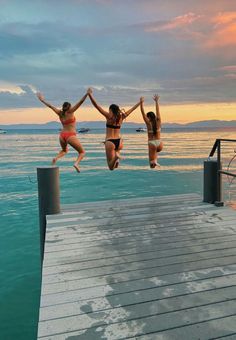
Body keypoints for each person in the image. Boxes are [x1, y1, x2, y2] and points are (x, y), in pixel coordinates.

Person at [87, 88, 141, 170]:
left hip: (110, 142)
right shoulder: (121, 117)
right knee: (115, 166)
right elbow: (133, 109)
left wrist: (90, 95)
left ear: (111, 110)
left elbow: (96, 106)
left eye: (109, 110)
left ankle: (116, 157)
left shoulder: (109, 117)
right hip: (119, 142)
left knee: (111, 167)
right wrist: (140, 102)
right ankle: (117, 157)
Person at [36, 92, 88, 172]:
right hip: (70, 135)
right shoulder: (70, 112)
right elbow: (80, 102)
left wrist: (42, 100)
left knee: (64, 150)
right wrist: (87, 94)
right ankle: (76, 164)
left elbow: (50, 106)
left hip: (62, 136)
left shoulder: (60, 113)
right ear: (69, 107)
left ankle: (56, 158)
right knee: (82, 152)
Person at [140, 95, 163, 168]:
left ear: (149, 117)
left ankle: (154, 162)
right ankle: (155, 161)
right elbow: (158, 111)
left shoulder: (148, 123)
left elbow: (142, 113)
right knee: (155, 152)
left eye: (147, 117)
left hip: (152, 143)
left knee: (151, 166)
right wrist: (156, 101)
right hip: (160, 144)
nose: (146, 117)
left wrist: (141, 103)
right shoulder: (158, 121)